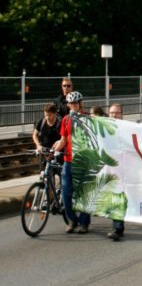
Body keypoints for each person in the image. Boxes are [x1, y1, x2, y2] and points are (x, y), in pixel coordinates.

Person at [54, 91, 91, 234]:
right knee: (66, 193)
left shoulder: (87, 118)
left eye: (75, 103)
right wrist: (54, 152)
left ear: (81, 104)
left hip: (82, 161)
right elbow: (63, 140)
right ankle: (72, 220)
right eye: (71, 103)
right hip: (68, 161)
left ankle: (84, 222)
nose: (73, 106)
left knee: (83, 193)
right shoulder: (65, 120)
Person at [107, 103, 125, 240]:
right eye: (112, 112)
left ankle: (118, 228)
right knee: (115, 197)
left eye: (117, 112)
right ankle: (117, 227)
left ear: (121, 114)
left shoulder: (127, 128)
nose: (114, 115)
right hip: (112, 169)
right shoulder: (105, 128)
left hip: (126, 168)